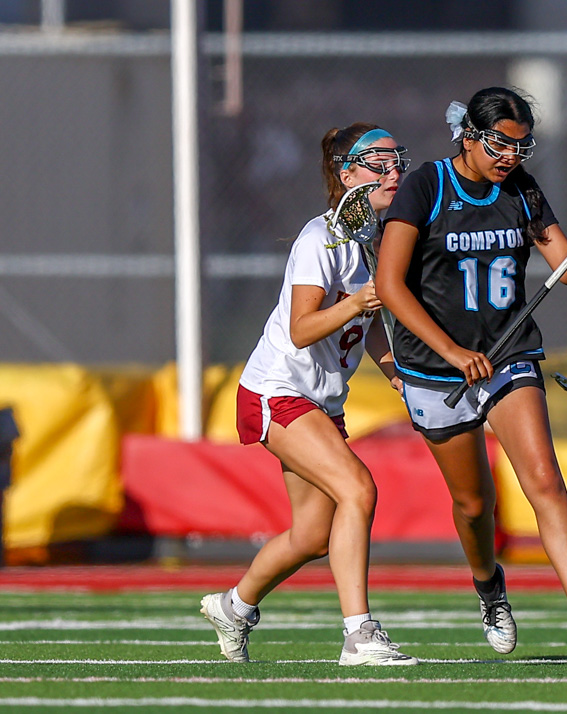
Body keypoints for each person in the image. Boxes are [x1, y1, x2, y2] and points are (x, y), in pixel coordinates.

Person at [375, 87, 567, 659]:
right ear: (468, 136)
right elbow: (389, 286)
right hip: (435, 368)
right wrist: (453, 352)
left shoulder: (521, 189)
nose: (511, 156)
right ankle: (489, 587)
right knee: (473, 505)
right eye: (500, 144)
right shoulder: (426, 186)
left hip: (509, 354)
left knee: (544, 479)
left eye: (521, 145)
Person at [200, 122, 418, 666]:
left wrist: (397, 376)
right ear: (348, 174)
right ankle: (359, 634)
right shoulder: (320, 238)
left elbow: (368, 326)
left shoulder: (374, 239)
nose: (394, 172)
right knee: (359, 490)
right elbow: (301, 329)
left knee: (313, 535)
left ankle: (234, 606)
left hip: (321, 400)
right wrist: (358, 301)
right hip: (279, 389)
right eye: (380, 163)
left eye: (397, 161)